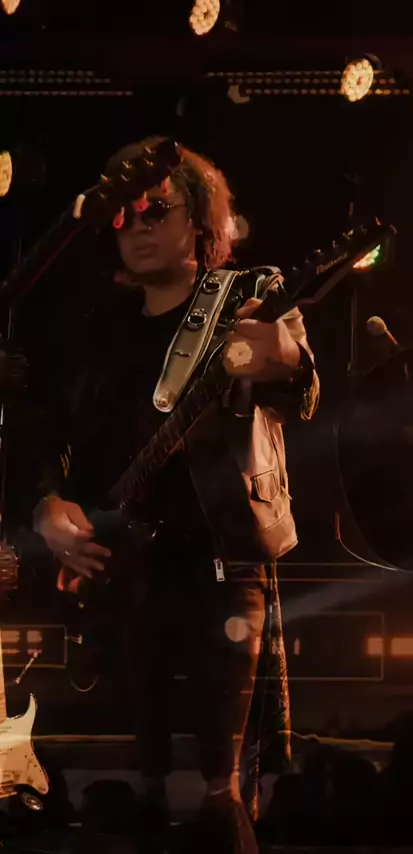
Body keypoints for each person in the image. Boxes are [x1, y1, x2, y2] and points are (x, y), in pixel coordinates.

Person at [18, 137, 319, 853]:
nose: (139, 224)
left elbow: (299, 389)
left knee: (222, 788)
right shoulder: (93, 328)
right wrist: (47, 508)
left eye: (158, 208)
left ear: (199, 217)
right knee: (134, 785)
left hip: (219, 561)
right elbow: (43, 437)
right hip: (116, 573)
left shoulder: (247, 295)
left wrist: (282, 356)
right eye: (123, 214)